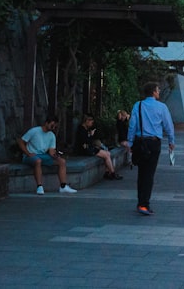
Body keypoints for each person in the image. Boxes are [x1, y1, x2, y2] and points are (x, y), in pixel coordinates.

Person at [128, 81, 175, 216]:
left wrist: (130, 142)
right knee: (149, 174)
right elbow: (168, 125)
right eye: (158, 90)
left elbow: (132, 124)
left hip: (140, 142)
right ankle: (144, 204)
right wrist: (171, 141)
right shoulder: (162, 107)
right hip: (154, 143)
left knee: (141, 173)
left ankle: (140, 201)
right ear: (154, 92)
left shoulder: (138, 105)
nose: (159, 92)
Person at [17, 115, 77, 194]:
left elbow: (51, 151)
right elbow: (21, 141)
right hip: (30, 155)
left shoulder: (51, 135)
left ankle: (63, 186)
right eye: (52, 125)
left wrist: (56, 155)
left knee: (62, 161)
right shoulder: (34, 131)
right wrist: (27, 153)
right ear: (46, 123)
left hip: (43, 155)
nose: (53, 128)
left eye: (55, 126)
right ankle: (39, 186)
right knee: (38, 161)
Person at [74, 113, 122, 180]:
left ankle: (108, 172)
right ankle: (112, 173)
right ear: (86, 121)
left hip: (89, 147)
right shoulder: (81, 130)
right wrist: (91, 135)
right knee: (106, 155)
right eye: (91, 122)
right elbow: (86, 141)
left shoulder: (86, 129)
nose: (92, 124)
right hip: (85, 149)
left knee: (107, 153)